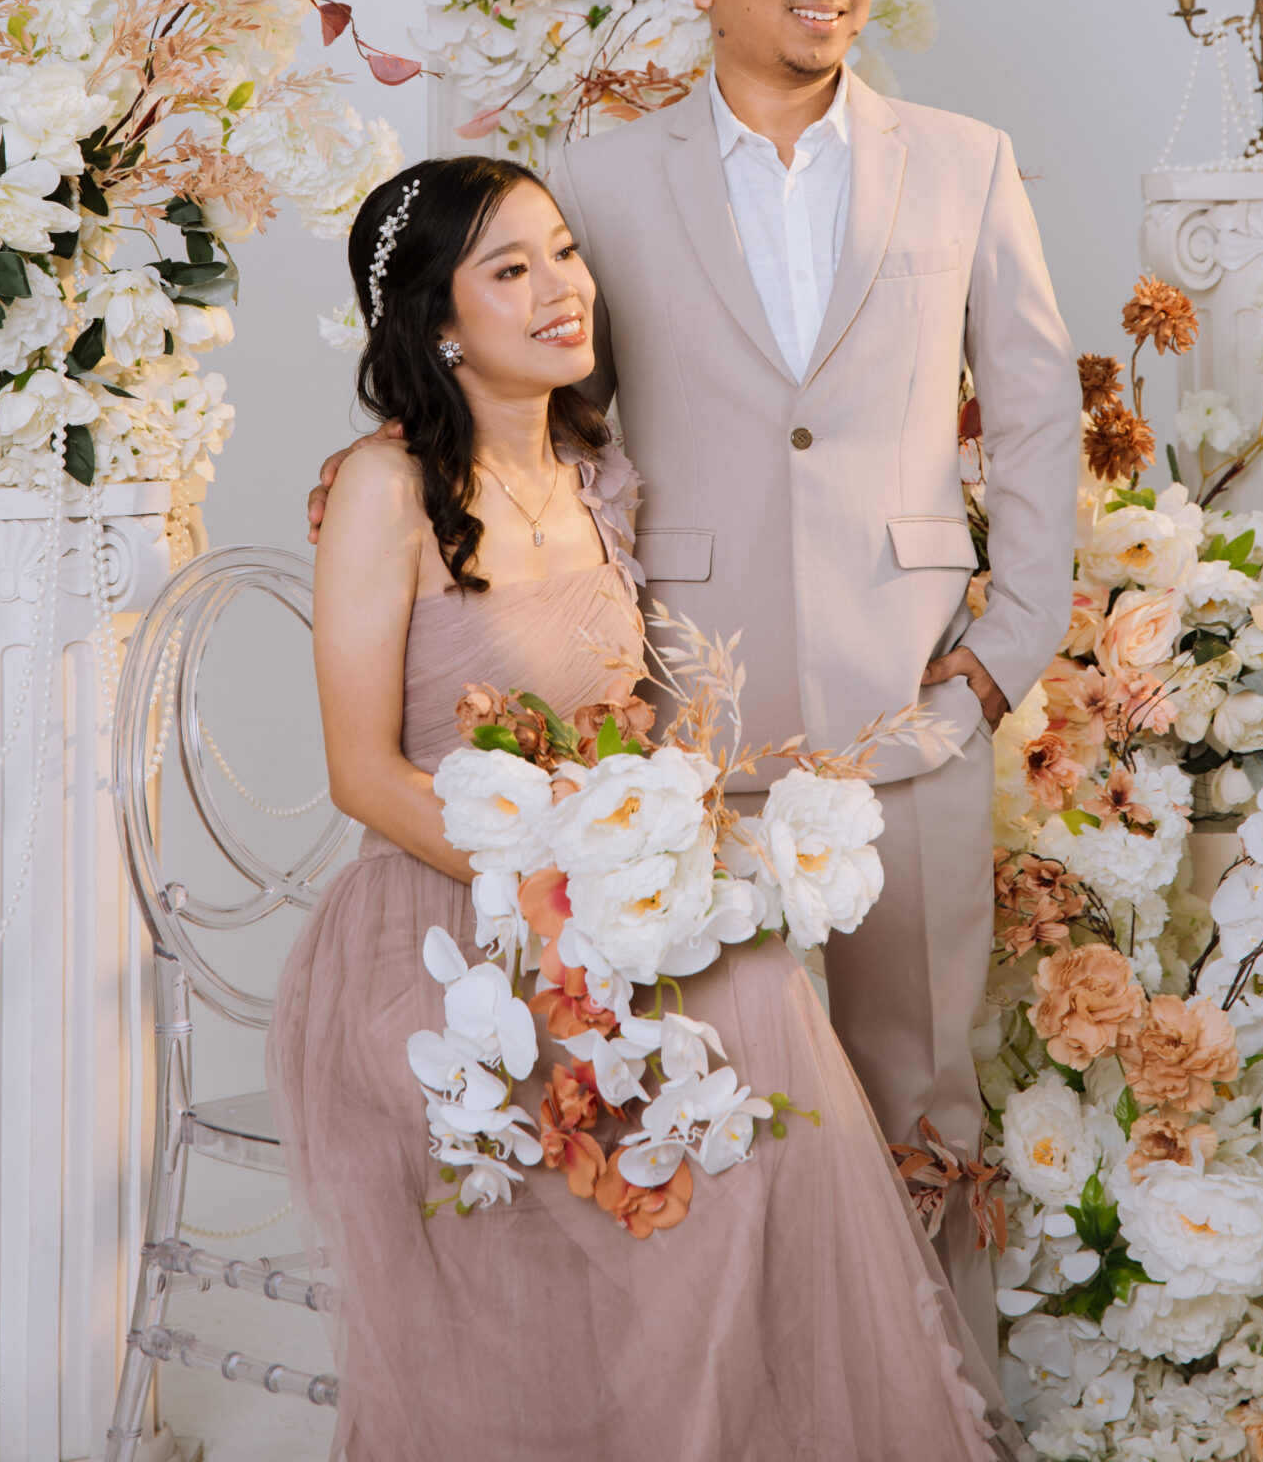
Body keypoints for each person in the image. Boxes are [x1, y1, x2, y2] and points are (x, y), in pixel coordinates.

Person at [310, 0, 1079, 1369]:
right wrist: (402, 481)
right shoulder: (596, 180)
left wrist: (1002, 654)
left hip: (914, 698)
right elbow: (539, 403)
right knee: (718, 1115)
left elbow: (1037, 411)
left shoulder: (963, 163)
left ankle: (940, 1415)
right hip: (675, 729)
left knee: (922, 1089)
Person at [266, 154, 1023, 1462]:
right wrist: (566, 915)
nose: (562, 289)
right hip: (446, 926)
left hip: (608, 909)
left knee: (759, 1002)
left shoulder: (595, 470)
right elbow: (362, 774)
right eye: (511, 270)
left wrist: (653, 887)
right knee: (706, 1045)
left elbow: (633, 729)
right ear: (438, 322)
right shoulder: (383, 490)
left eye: (564, 252)